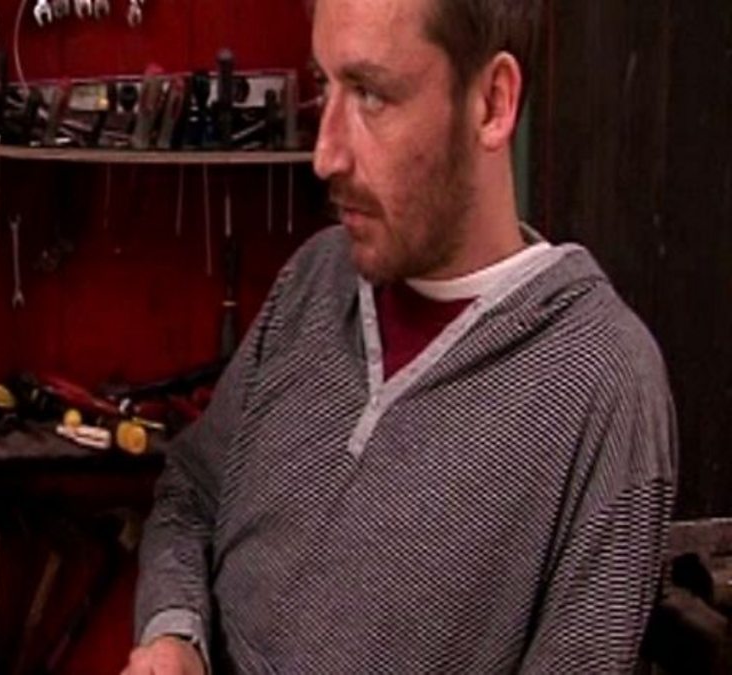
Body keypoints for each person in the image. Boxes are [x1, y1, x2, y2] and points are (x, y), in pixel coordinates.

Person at [125, 0, 676, 672]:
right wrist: (174, 634)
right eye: (326, 85)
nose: (325, 155)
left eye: (371, 95)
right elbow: (189, 493)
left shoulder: (602, 383)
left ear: (492, 104)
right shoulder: (314, 280)